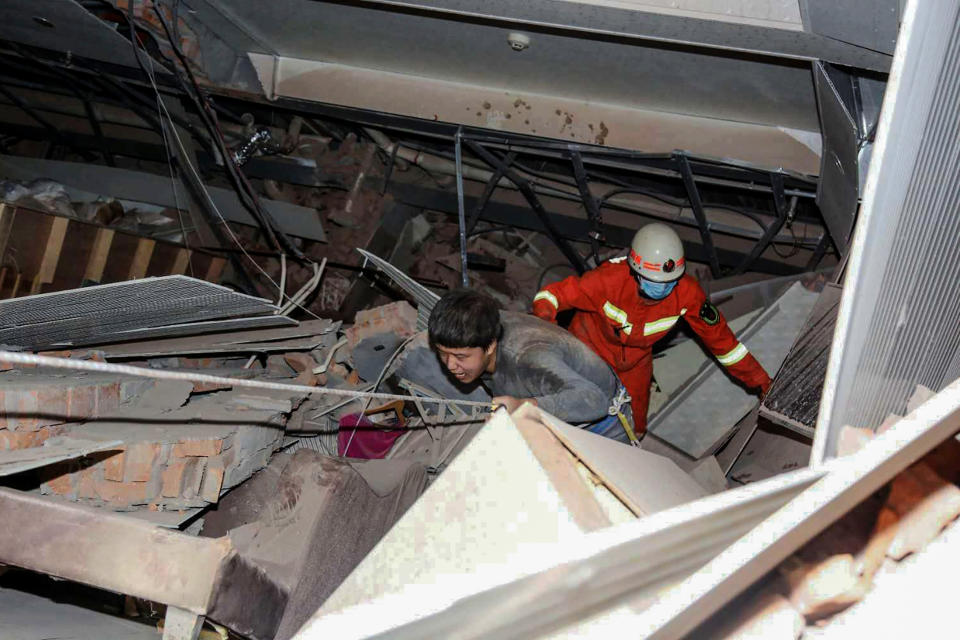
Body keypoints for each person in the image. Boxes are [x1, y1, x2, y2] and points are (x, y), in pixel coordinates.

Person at [532, 222, 771, 435]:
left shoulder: (687, 294)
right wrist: (550, 335)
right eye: (656, 282)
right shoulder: (607, 281)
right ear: (635, 272)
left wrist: (760, 380)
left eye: (670, 281)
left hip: (635, 364)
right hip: (587, 352)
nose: (664, 289)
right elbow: (552, 296)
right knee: (573, 405)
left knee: (635, 424)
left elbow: (724, 344)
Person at [428, 288, 619, 426]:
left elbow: (594, 400)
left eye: (460, 356)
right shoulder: (478, 324)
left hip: (603, 422)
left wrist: (523, 406)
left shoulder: (528, 359)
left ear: (490, 346)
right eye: (442, 353)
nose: (450, 365)